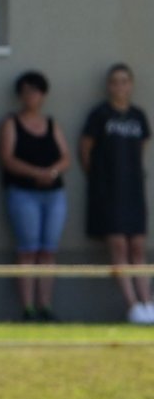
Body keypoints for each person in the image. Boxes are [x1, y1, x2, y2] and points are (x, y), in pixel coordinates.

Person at [80, 63, 152, 323]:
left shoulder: (138, 116)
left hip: (133, 190)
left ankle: (148, 303)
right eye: (114, 81)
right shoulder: (100, 115)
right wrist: (99, 178)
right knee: (119, 245)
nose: (119, 86)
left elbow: (141, 147)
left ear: (131, 85)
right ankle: (132, 306)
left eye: (124, 81)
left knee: (138, 246)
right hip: (109, 191)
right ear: (109, 86)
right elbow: (85, 149)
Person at [0, 71, 71, 322]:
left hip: (54, 195)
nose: (31, 96)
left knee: (48, 251)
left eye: (36, 91)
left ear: (43, 95)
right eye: (27, 91)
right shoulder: (11, 123)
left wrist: (52, 172)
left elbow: (66, 157)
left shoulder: (52, 124)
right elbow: (7, 158)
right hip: (23, 194)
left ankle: (45, 306)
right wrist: (36, 173)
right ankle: (28, 308)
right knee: (28, 249)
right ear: (20, 95)